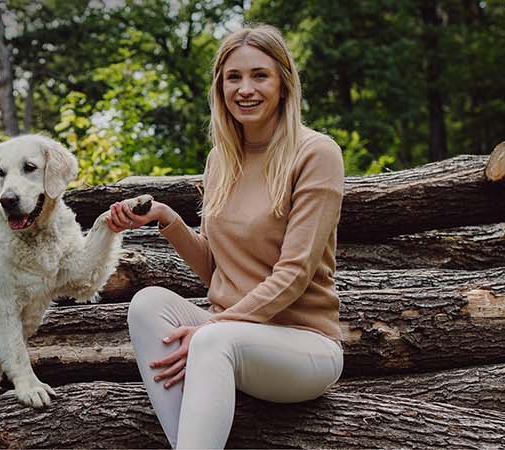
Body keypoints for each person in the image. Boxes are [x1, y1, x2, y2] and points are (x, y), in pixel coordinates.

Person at [103, 24, 345, 449]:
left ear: (284, 83)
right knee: (147, 305)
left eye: (259, 76)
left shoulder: (316, 153)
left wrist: (213, 326)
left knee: (213, 339)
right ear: (220, 87)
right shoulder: (222, 160)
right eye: (233, 77)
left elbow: (295, 273)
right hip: (231, 339)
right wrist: (165, 218)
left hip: (304, 346)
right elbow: (216, 269)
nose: (245, 89)